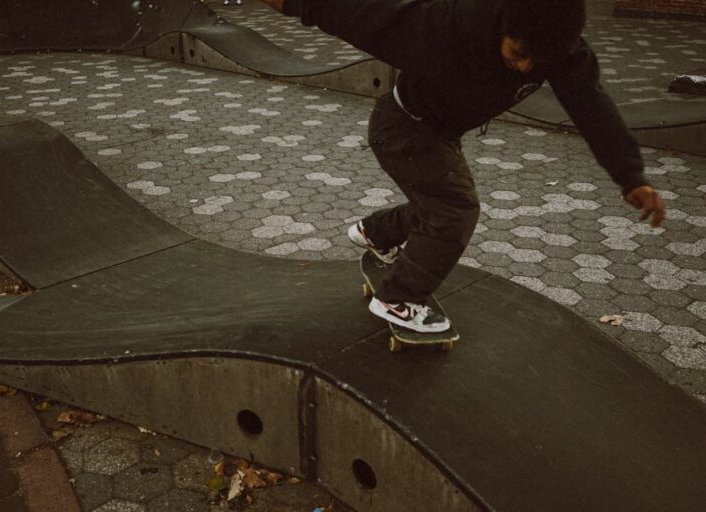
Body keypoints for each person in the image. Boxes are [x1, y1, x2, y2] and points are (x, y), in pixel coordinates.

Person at [259, 0, 667, 333]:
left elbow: (592, 108)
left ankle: (374, 232)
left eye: (537, 60)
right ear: (506, 25)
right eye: (519, 53)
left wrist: (630, 175)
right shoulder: (451, 24)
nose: (526, 67)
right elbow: (361, 15)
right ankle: (398, 298)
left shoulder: (563, 54)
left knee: (438, 205)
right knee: (455, 209)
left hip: (438, 132)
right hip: (403, 127)